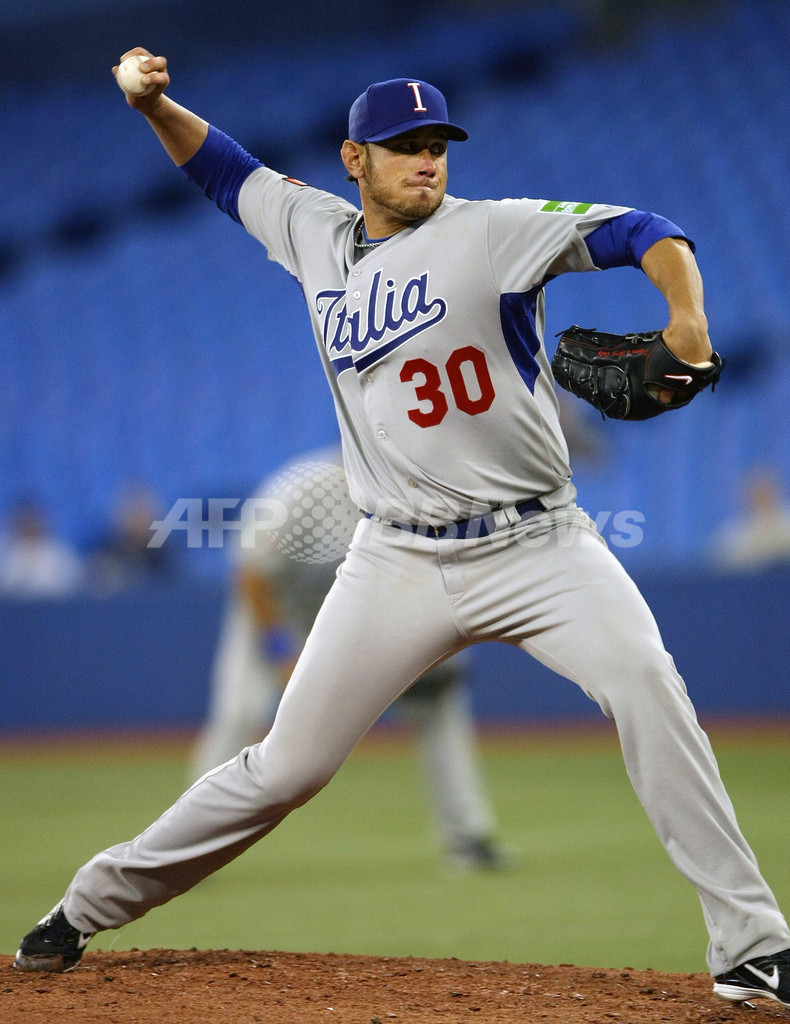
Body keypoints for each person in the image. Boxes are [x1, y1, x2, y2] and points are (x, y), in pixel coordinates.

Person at [14, 48, 790, 1011]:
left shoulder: (493, 231)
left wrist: (689, 320)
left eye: (437, 145)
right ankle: (84, 906)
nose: (427, 160)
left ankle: (752, 947)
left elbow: (646, 230)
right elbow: (223, 171)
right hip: (395, 557)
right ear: (355, 160)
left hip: (539, 544)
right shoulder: (310, 230)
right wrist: (153, 106)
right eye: (403, 146)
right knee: (286, 768)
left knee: (648, 688)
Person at [190, 444, 509, 870]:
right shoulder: (302, 491)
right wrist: (282, 651)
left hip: (353, 620)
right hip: (277, 615)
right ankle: (191, 842)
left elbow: (431, 585)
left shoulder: (416, 500)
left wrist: (437, 658)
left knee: (438, 707)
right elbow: (251, 575)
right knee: (239, 712)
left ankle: (468, 836)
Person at [710, 465, 790, 571]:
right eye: (757, 493)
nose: (762, 497)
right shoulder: (734, 535)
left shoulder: (787, 524)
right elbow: (723, 565)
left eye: (765, 491)